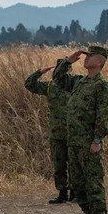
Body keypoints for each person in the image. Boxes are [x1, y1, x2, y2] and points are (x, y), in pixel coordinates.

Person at [53, 46, 108, 214]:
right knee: (78, 182)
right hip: (74, 141)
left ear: (100, 61)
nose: (86, 59)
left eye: (90, 56)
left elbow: (103, 115)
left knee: (93, 180)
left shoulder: (102, 85)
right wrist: (68, 61)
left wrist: (97, 139)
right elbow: (58, 79)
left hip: (88, 142)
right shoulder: (80, 82)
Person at [25, 59, 72, 204]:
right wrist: (40, 71)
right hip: (57, 132)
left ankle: (76, 192)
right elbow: (29, 85)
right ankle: (62, 193)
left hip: (75, 131)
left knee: (75, 165)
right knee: (59, 164)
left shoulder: (76, 85)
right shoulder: (50, 86)